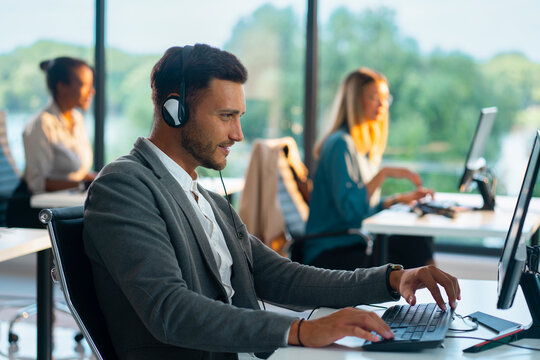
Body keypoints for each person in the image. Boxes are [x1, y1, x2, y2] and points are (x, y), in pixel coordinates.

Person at [83, 44, 460, 360]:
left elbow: (282, 275)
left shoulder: (208, 200)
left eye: (239, 117)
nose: (238, 134)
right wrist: (298, 331)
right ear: (174, 110)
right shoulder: (124, 186)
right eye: (226, 116)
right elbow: (170, 310)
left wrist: (393, 279)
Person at [304, 68, 435, 270]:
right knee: (412, 248)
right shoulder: (340, 144)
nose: (382, 104)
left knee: (416, 240)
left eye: (385, 98)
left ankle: (435, 299)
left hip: (352, 242)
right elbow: (351, 214)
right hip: (329, 253)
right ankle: (439, 299)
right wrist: (383, 174)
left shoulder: (357, 147)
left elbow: (362, 209)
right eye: (374, 97)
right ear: (355, 101)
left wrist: (398, 199)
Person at [23, 56, 96, 194]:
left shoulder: (77, 119)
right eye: (85, 85)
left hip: (73, 198)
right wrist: (83, 185)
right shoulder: (41, 124)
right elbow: (37, 183)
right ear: (62, 87)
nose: (92, 91)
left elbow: (78, 173)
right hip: (48, 209)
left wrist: (99, 179)